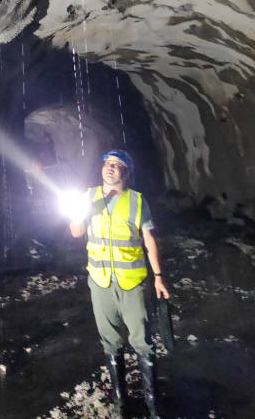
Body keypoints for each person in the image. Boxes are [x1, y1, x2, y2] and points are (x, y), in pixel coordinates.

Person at [68, 149, 169, 419]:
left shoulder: (137, 201)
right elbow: (76, 232)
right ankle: (120, 401)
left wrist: (158, 277)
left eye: (117, 164)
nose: (110, 168)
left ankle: (152, 405)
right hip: (100, 282)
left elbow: (149, 241)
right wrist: (79, 214)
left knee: (142, 341)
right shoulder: (88, 197)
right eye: (107, 163)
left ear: (126, 172)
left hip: (132, 283)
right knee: (110, 341)